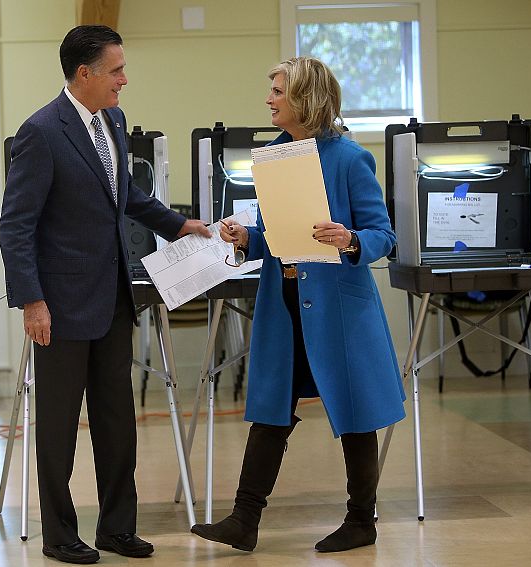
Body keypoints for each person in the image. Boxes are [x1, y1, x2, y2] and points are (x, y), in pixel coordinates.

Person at [0, 25, 210, 565]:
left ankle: (117, 528)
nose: (124, 79)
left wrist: (178, 225)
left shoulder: (111, 120)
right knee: (59, 426)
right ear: (84, 73)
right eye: (115, 70)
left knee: (117, 421)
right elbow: (16, 225)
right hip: (60, 307)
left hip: (114, 296)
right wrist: (32, 300)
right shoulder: (40, 133)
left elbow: (126, 193)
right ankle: (59, 534)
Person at [190, 56, 406, 554]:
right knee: (270, 410)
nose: (269, 99)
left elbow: (383, 234)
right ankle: (244, 521)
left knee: (355, 413)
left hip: (338, 308)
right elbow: (280, 235)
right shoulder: (274, 155)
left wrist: (351, 238)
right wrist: (248, 236)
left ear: (306, 98)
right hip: (283, 305)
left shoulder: (351, 159)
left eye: (278, 91)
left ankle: (361, 521)